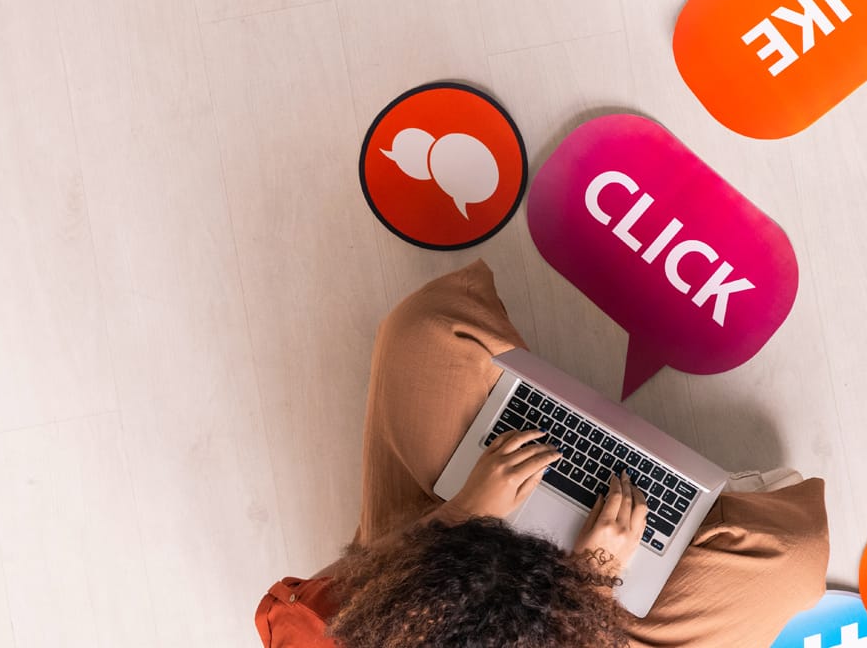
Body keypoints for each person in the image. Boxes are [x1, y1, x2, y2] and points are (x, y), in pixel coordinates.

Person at [255, 261, 830, 648]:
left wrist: (463, 515)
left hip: (421, 568)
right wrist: (592, 580)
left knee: (429, 331)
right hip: (578, 627)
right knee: (787, 562)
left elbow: (347, 585)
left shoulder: (315, 633)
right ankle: (707, 516)